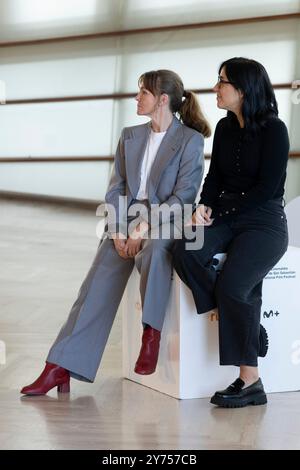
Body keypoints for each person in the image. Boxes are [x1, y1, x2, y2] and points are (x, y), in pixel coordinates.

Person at [21, 69, 211, 395]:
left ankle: (150, 335)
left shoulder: (190, 140)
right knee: (94, 285)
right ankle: (59, 366)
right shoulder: (129, 136)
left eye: (143, 93)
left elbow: (183, 198)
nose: (137, 98)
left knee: (154, 250)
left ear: (162, 99)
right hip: (126, 223)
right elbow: (116, 190)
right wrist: (120, 230)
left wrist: (144, 227)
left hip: (165, 222)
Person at [173, 57, 289, 408]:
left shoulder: (275, 130)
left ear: (243, 89)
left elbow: (266, 189)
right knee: (184, 250)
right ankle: (242, 323)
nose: (215, 88)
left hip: (264, 220)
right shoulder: (224, 128)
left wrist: (220, 209)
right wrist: (204, 205)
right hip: (224, 213)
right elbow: (216, 177)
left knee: (236, 285)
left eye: (222, 81)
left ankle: (250, 381)